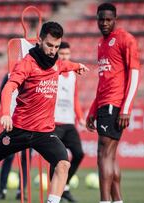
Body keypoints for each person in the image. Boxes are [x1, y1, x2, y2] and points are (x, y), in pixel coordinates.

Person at [0, 22, 89, 203]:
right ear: (39, 41)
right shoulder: (26, 64)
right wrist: (6, 113)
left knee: (63, 164)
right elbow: (9, 88)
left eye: (56, 46)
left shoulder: (56, 63)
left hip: (45, 132)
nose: (53, 50)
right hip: (20, 130)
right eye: (49, 45)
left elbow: (64, 65)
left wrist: (77, 66)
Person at [86, 3, 141, 203]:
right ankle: (117, 200)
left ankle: (104, 201)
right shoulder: (101, 44)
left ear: (115, 19)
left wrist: (126, 109)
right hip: (104, 104)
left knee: (103, 154)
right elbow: (103, 82)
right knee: (110, 156)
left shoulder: (125, 39)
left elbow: (134, 75)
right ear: (97, 19)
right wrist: (93, 110)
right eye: (101, 19)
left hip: (114, 104)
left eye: (109, 19)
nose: (104, 23)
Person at [50, 42, 85, 203]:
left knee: (78, 154)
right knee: (56, 157)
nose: (64, 57)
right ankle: (55, 192)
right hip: (54, 122)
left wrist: (80, 117)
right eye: (61, 54)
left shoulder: (72, 75)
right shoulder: (52, 71)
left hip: (69, 123)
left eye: (67, 54)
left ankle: (64, 186)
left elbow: (75, 97)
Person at [0, 73, 32, 201]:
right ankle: (2, 190)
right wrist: (7, 113)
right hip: (11, 122)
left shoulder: (33, 73)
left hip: (29, 124)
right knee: (8, 156)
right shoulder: (9, 75)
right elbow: (2, 95)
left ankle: (21, 191)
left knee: (26, 158)